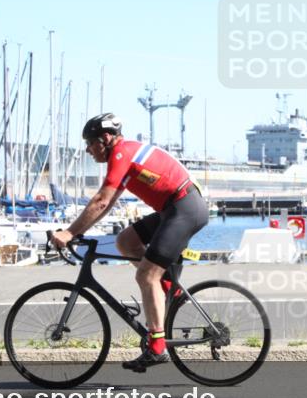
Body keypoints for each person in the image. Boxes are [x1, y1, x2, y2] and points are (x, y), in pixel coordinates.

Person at [51, 113, 209, 371]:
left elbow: (101, 201)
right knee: (125, 241)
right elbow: (107, 202)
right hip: (175, 209)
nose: (88, 150)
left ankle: (157, 346)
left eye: (90, 143)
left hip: (184, 209)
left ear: (105, 138)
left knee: (146, 275)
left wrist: (69, 233)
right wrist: (77, 231)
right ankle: (167, 286)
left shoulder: (121, 154)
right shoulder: (124, 153)